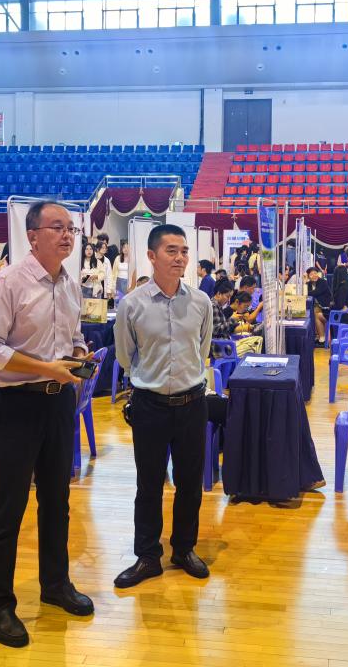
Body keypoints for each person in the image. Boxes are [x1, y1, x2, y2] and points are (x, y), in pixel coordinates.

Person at [0, 200, 94, 648]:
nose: (67, 235)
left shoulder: (69, 284)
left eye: (71, 228)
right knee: (7, 507)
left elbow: (74, 337)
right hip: (14, 405)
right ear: (32, 235)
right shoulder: (6, 283)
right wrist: (47, 368)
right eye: (57, 227)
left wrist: (78, 356)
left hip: (57, 402)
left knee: (57, 500)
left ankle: (55, 584)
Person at [114, 224, 213, 590]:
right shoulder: (132, 305)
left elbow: (202, 349)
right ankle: (147, 556)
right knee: (149, 483)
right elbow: (126, 356)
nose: (180, 257)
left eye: (184, 251)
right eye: (171, 250)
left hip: (192, 403)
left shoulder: (200, 302)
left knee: (190, 483)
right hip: (150, 406)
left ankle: (184, 548)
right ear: (151, 256)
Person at [307, 266, 332, 344]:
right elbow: (306, 292)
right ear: (308, 276)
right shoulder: (308, 284)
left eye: (315, 273)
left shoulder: (322, 282)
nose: (314, 275)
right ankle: (318, 336)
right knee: (311, 312)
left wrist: (306, 293)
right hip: (317, 307)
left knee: (315, 313)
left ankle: (321, 338)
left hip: (326, 308)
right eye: (311, 274)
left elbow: (316, 292)